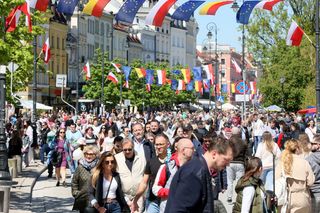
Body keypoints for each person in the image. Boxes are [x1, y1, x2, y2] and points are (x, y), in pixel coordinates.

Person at [164, 136, 234, 213]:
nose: (228, 165)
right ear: (214, 154)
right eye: (226, 160)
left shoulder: (200, 169)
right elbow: (179, 209)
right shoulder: (194, 173)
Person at [153, 138, 194, 212]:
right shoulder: (167, 167)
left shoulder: (195, 167)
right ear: (183, 150)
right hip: (169, 208)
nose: (194, 150)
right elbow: (155, 189)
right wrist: (172, 191)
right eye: (192, 148)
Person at [131, 134, 170, 213]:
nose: (158, 147)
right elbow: (144, 182)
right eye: (157, 144)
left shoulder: (173, 161)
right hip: (153, 201)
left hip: (169, 200)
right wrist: (135, 199)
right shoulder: (151, 162)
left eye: (161, 144)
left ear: (168, 144)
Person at [275, 139, 315, 213]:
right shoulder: (304, 162)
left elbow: (276, 180)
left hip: (285, 198)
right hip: (302, 197)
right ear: (297, 148)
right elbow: (311, 181)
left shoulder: (282, 162)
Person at [114, 139, 146, 212]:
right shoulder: (116, 158)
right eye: (125, 150)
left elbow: (145, 176)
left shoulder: (142, 158)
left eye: (129, 149)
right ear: (122, 148)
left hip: (138, 196)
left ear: (133, 147)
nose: (127, 151)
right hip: (123, 196)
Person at [71, 145, 99, 213]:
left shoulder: (99, 166)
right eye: (86, 154)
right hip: (82, 200)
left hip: (96, 200)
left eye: (91, 154)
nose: (88, 156)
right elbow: (74, 182)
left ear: (95, 155)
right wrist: (76, 193)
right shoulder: (80, 167)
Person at [306, 134, 320, 212]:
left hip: (313, 193)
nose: (310, 145)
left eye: (312, 143)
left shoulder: (308, 159)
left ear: (318, 145)